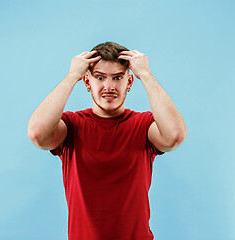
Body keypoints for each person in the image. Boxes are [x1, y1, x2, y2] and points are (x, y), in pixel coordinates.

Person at [27, 42, 187, 240]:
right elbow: (37, 134)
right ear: (87, 82)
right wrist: (71, 77)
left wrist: (146, 74)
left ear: (129, 83)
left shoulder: (143, 125)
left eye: (118, 78)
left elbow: (174, 136)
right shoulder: (72, 126)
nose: (109, 87)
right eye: (100, 77)